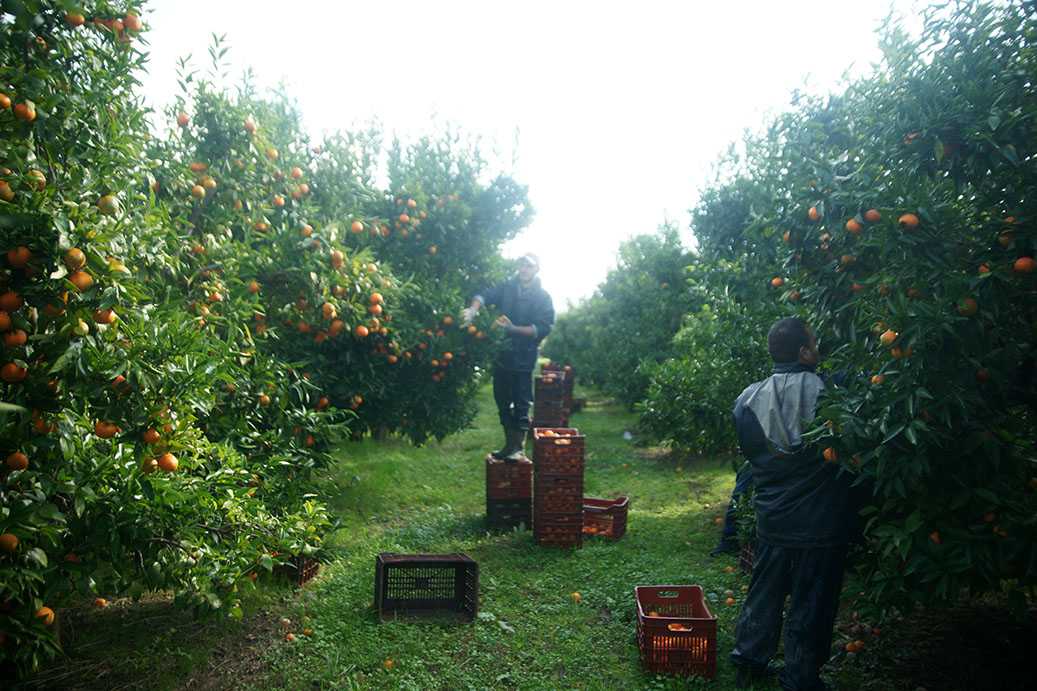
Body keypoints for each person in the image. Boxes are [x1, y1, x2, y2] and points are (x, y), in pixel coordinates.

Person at [729, 317, 857, 691]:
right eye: (814, 344)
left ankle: (749, 658)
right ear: (804, 352)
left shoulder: (747, 400)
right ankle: (800, 676)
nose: (817, 350)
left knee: (765, 591)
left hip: (774, 518)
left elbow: (756, 457)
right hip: (821, 523)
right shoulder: (831, 394)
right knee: (812, 602)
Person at [462, 253, 554, 462]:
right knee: (502, 399)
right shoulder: (507, 288)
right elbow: (483, 295)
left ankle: (519, 448)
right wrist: (473, 310)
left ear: (536, 269)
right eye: (521, 265)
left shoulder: (543, 297)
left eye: (529, 266)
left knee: (521, 402)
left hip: (524, 356)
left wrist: (513, 329)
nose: (524, 269)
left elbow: (542, 327)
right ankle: (509, 445)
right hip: (502, 354)